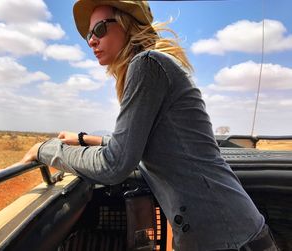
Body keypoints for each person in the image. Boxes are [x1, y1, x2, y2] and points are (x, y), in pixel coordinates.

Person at [17, 1, 279, 250]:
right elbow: (142, 143)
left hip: (228, 239)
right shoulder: (152, 67)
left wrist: (46, 149)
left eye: (99, 29)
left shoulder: (147, 65)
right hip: (227, 234)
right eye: (88, 36)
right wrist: (85, 139)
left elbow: (115, 164)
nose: (92, 41)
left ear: (126, 24)